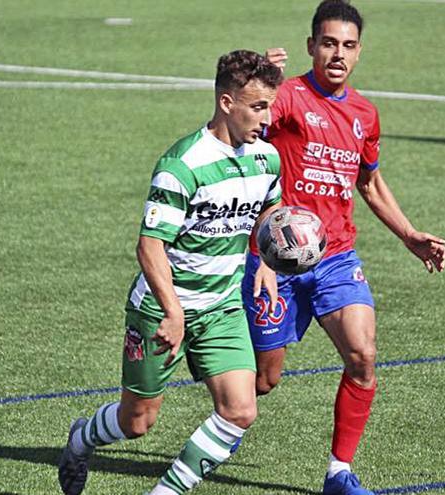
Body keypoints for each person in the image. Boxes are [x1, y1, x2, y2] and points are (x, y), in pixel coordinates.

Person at [241, 1, 445, 494]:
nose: (338, 53)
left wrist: (409, 235)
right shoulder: (289, 96)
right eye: (329, 43)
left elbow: (370, 184)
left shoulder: (363, 114)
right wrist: (261, 83)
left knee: (362, 354)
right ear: (312, 45)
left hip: (335, 256)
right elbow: (243, 130)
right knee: (264, 382)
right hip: (277, 260)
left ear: (358, 52)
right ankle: (223, 403)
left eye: (348, 45)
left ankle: (339, 472)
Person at [57, 49, 283, 495]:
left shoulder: (267, 158)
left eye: (269, 105)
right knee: (137, 421)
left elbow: (266, 211)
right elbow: (150, 246)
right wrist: (173, 311)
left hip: (221, 308)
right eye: (258, 106)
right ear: (226, 103)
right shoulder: (181, 165)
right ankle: (82, 438)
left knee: (240, 409)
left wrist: (274, 257)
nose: (267, 116)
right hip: (161, 311)